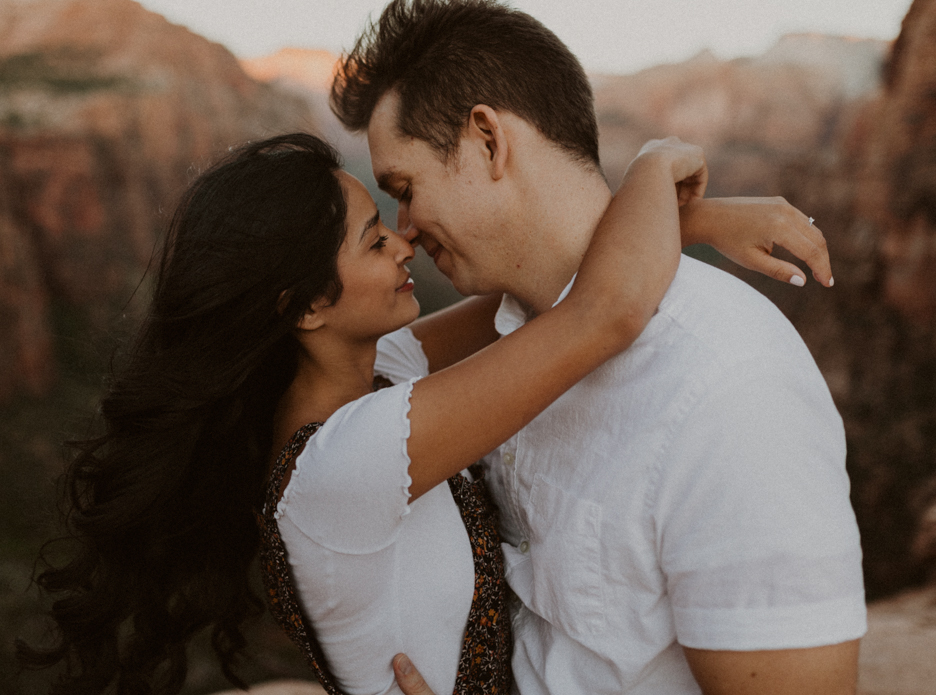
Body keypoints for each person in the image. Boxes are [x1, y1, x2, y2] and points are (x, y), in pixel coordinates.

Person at [17, 129, 828, 695]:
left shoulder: (370, 382)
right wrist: (656, 163)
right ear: (302, 305)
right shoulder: (346, 460)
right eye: (375, 240)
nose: (404, 242)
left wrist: (698, 220)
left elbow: (542, 296)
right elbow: (601, 314)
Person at [328, 1, 867, 694]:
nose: (403, 229)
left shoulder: (729, 387)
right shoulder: (506, 341)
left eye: (405, 189)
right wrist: (684, 215)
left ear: (488, 140)